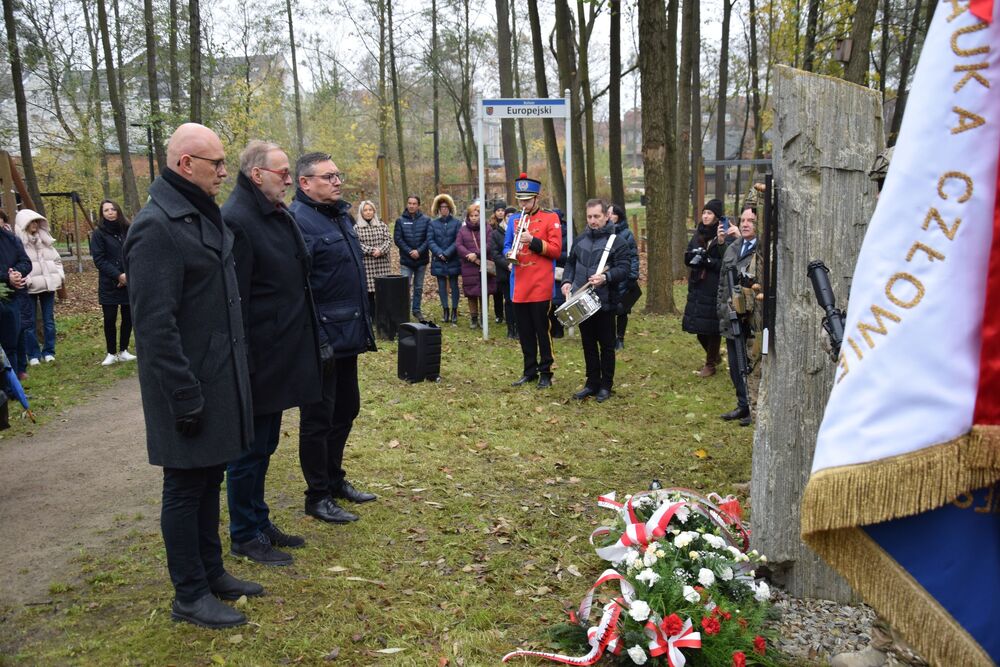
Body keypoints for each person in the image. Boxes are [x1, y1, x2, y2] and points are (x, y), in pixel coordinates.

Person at [124, 122, 260, 629]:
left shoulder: (197, 213)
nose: (225, 172)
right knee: (184, 489)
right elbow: (154, 326)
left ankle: (212, 574)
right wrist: (184, 393)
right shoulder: (157, 225)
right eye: (216, 164)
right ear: (185, 165)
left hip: (215, 378)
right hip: (185, 386)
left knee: (208, 481)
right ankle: (189, 595)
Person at [222, 140, 323, 566]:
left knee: (264, 446)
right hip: (258, 356)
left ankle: (259, 522)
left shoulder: (271, 211)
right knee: (248, 451)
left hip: (279, 349)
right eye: (281, 171)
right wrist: (244, 362)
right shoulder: (238, 220)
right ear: (255, 174)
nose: (287, 178)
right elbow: (235, 301)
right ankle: (245, 533)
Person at [291, 152, 378, 526]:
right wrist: (317, 337)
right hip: (320, 339)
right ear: (305, 183)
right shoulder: (298, 221)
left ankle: (334, 479)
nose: (337, 181)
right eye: (328, 176)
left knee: (346, 410)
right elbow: (299, 288)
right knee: (318, 418)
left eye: (337, 174)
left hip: (347, 335)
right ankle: (317, 495)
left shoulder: (339, 215)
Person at [561, 199, 630, 402]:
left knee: (606, 346)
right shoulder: (580, 239)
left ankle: (606, 385)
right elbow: (570, 263)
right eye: (590, 217)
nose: (593, 221)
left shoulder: (618, 242)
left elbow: (625, 268)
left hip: (605, 302)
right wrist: (566, 281)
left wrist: (606, 277)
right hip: (582, 302)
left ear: (606, 216)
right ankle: (592, 382)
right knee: (588, 343)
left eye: (597, 217)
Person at [503, 173, 562, 388]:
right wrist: (509, 256)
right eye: (521, 200)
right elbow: (506, 245)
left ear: (537, 198)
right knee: (525, 331)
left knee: (541, 330)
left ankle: (546, 371)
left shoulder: (551, 218)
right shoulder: (514, 219)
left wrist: (533, 241)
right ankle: (529, 370)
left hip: (540, 283)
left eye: (527, 200)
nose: (523, 204)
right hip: (518, 283)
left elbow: (556, 251)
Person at [716, 206, 759, 427]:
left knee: (750, 364)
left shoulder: (761, 251)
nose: (745, 224)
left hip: (751, 320)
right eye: (743, 220)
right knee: (735, 364)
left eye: (751, 220)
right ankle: (743, 404)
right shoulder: (734, 247)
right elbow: (724, 284)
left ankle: (754, 407)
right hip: (731, 316)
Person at [682, 199, 733, 377]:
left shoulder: (725, 234)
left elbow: (727, 263)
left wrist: (708, 261)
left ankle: (710, 364)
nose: (705, 216)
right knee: (698, 329)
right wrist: (691, 258)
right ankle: (715, 356)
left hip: (714, 286)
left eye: (709, 213)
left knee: (712, 328)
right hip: (697, 285)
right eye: (704, 212)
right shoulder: (698, 234)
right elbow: (688, 255)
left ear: (717, 217)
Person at [90, 199, 136, 366]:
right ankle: (111, 352)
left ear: (118, 211)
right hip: (109, 283)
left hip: (129, 280)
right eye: (106, 210)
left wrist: (128, 275)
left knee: (128, 316)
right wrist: (118, 276)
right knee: (110, 318)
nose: (110, 212)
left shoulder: (128, 229)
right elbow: (99, 259)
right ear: (102, 214)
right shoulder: (99, 234)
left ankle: (123, 350)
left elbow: (134, 252)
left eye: (113, 209)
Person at [15, 210, 64, 365]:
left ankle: (49, 351)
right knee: (29, 322)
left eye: (36, 222)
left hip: (48, 285)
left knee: (48, 320)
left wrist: (59, 276)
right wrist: (26, 279)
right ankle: (33, 354)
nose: (34, 225)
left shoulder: (45, 241)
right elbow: (18, 263)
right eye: (31, 222)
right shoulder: (19, 243)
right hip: (29, 287)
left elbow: (57, 260)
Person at [456, 202, 496, 328]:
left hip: (483, 264)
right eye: (471, 215)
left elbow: (490, 244)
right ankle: (474, 318)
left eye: (476, 215)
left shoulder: (487, 228)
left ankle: (484, 317)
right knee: (471, 293)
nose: (474, 217)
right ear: (468, 216)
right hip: (469, 266)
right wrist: (469, 255)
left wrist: (476, 254)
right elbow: (458, 245)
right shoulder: (463, 230)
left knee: (485, 292)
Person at [0, 211, 30, 382]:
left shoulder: (11, 239)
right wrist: (6, 276)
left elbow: (26, 261)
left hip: (12, 297)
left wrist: (17, 273)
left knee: (12, 341)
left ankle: (12, 385)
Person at [608, 203, 640, 350]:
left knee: (622, 309)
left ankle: (620, 338)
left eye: (611, 213)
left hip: (623, 276)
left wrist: (632, 276)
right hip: (607, 277)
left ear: (618, 216)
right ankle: (608, 337)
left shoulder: (626, 234)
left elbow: (633, 256)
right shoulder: (604, 232)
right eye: (607, 213)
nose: (609, 216)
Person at [393, 195, 431, 320]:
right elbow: (398, 239)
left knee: (418, 287)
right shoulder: (400, 220)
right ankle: (404, 311)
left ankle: (416, 310)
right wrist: (410, 251)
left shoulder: (426, 220)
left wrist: (419, 251)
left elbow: (428, 238)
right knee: (405, 287)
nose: (411, 205)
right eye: (409, 203)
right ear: (407, 204)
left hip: (421, 260)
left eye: (414, 203)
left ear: (418, 205)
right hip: (406, 260)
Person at [354, 200, 393, 318]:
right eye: (365, 210)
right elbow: (357, 244)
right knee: (369, 293)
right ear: (361, 212)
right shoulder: (356, 228)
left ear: (374, 211)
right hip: (367, 265)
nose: (368, 212)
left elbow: (389, 240)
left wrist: (381, 250)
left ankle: (384, 316)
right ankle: (372, 317)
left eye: (370, 210)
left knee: (382, 292)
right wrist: (371, 251)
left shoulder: (382, 225)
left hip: (382, 264)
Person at [427, 194, 461, 324]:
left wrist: (447, 253)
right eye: (441, 207)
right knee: (441, 285)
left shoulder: (457, 223)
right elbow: (430, 240)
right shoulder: (433, 223)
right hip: (438, 259)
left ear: (450, 208)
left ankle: (454, 311)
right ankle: (445, 310)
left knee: (454, 285)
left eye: (446, 207)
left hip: (452, 258)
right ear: (438, 209)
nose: (444, 209)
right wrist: (439, 253)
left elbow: (457, 240)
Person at [490, 205, 517, 338]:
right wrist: (507, 265)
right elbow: (495, 253)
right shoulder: (496, 233)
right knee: (509, 300)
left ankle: (518, 328)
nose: (510, 218)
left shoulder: (520, 231)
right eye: (508, 216)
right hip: (504, 273)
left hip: (520, 272)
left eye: (513, 216)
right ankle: (510, 328)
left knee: (518, 301)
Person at [488, 203, 508, 325]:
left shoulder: (510, 224)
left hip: (507, 259)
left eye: (502, 210)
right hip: (495, 260)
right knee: (497, 290)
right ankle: (498, 314)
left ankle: (508, 313)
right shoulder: (491, 226)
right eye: (498, 210)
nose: (500, 212)